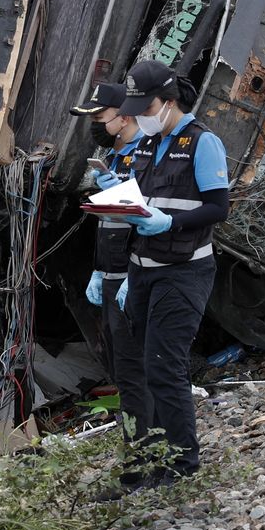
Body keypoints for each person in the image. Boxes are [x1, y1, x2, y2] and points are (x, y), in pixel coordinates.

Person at [113, 59, 230, 486]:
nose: (141, 116)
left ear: (168, 102)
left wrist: (169, 222)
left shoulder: (203, 143)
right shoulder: (147, 145)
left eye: (147, 107)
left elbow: (219, 207)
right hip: (142, 269)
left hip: (183, 271)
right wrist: (117, 196)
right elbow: (144, 198)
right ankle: (149, 465)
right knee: (143, 370)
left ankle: (180, 466)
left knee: (165, 367)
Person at [71, 82, 152, 452]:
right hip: (111, 271)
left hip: (132, 273)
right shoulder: (116, 157)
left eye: (100, 117)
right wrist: (99, 268)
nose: (96, 125)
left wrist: (133, 275)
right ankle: (135, 439)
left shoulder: (146, 156)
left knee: (134, 365)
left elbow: (147, 223)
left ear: (124, 116)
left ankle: (148, 444)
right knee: (119, 364)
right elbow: (110, 223)